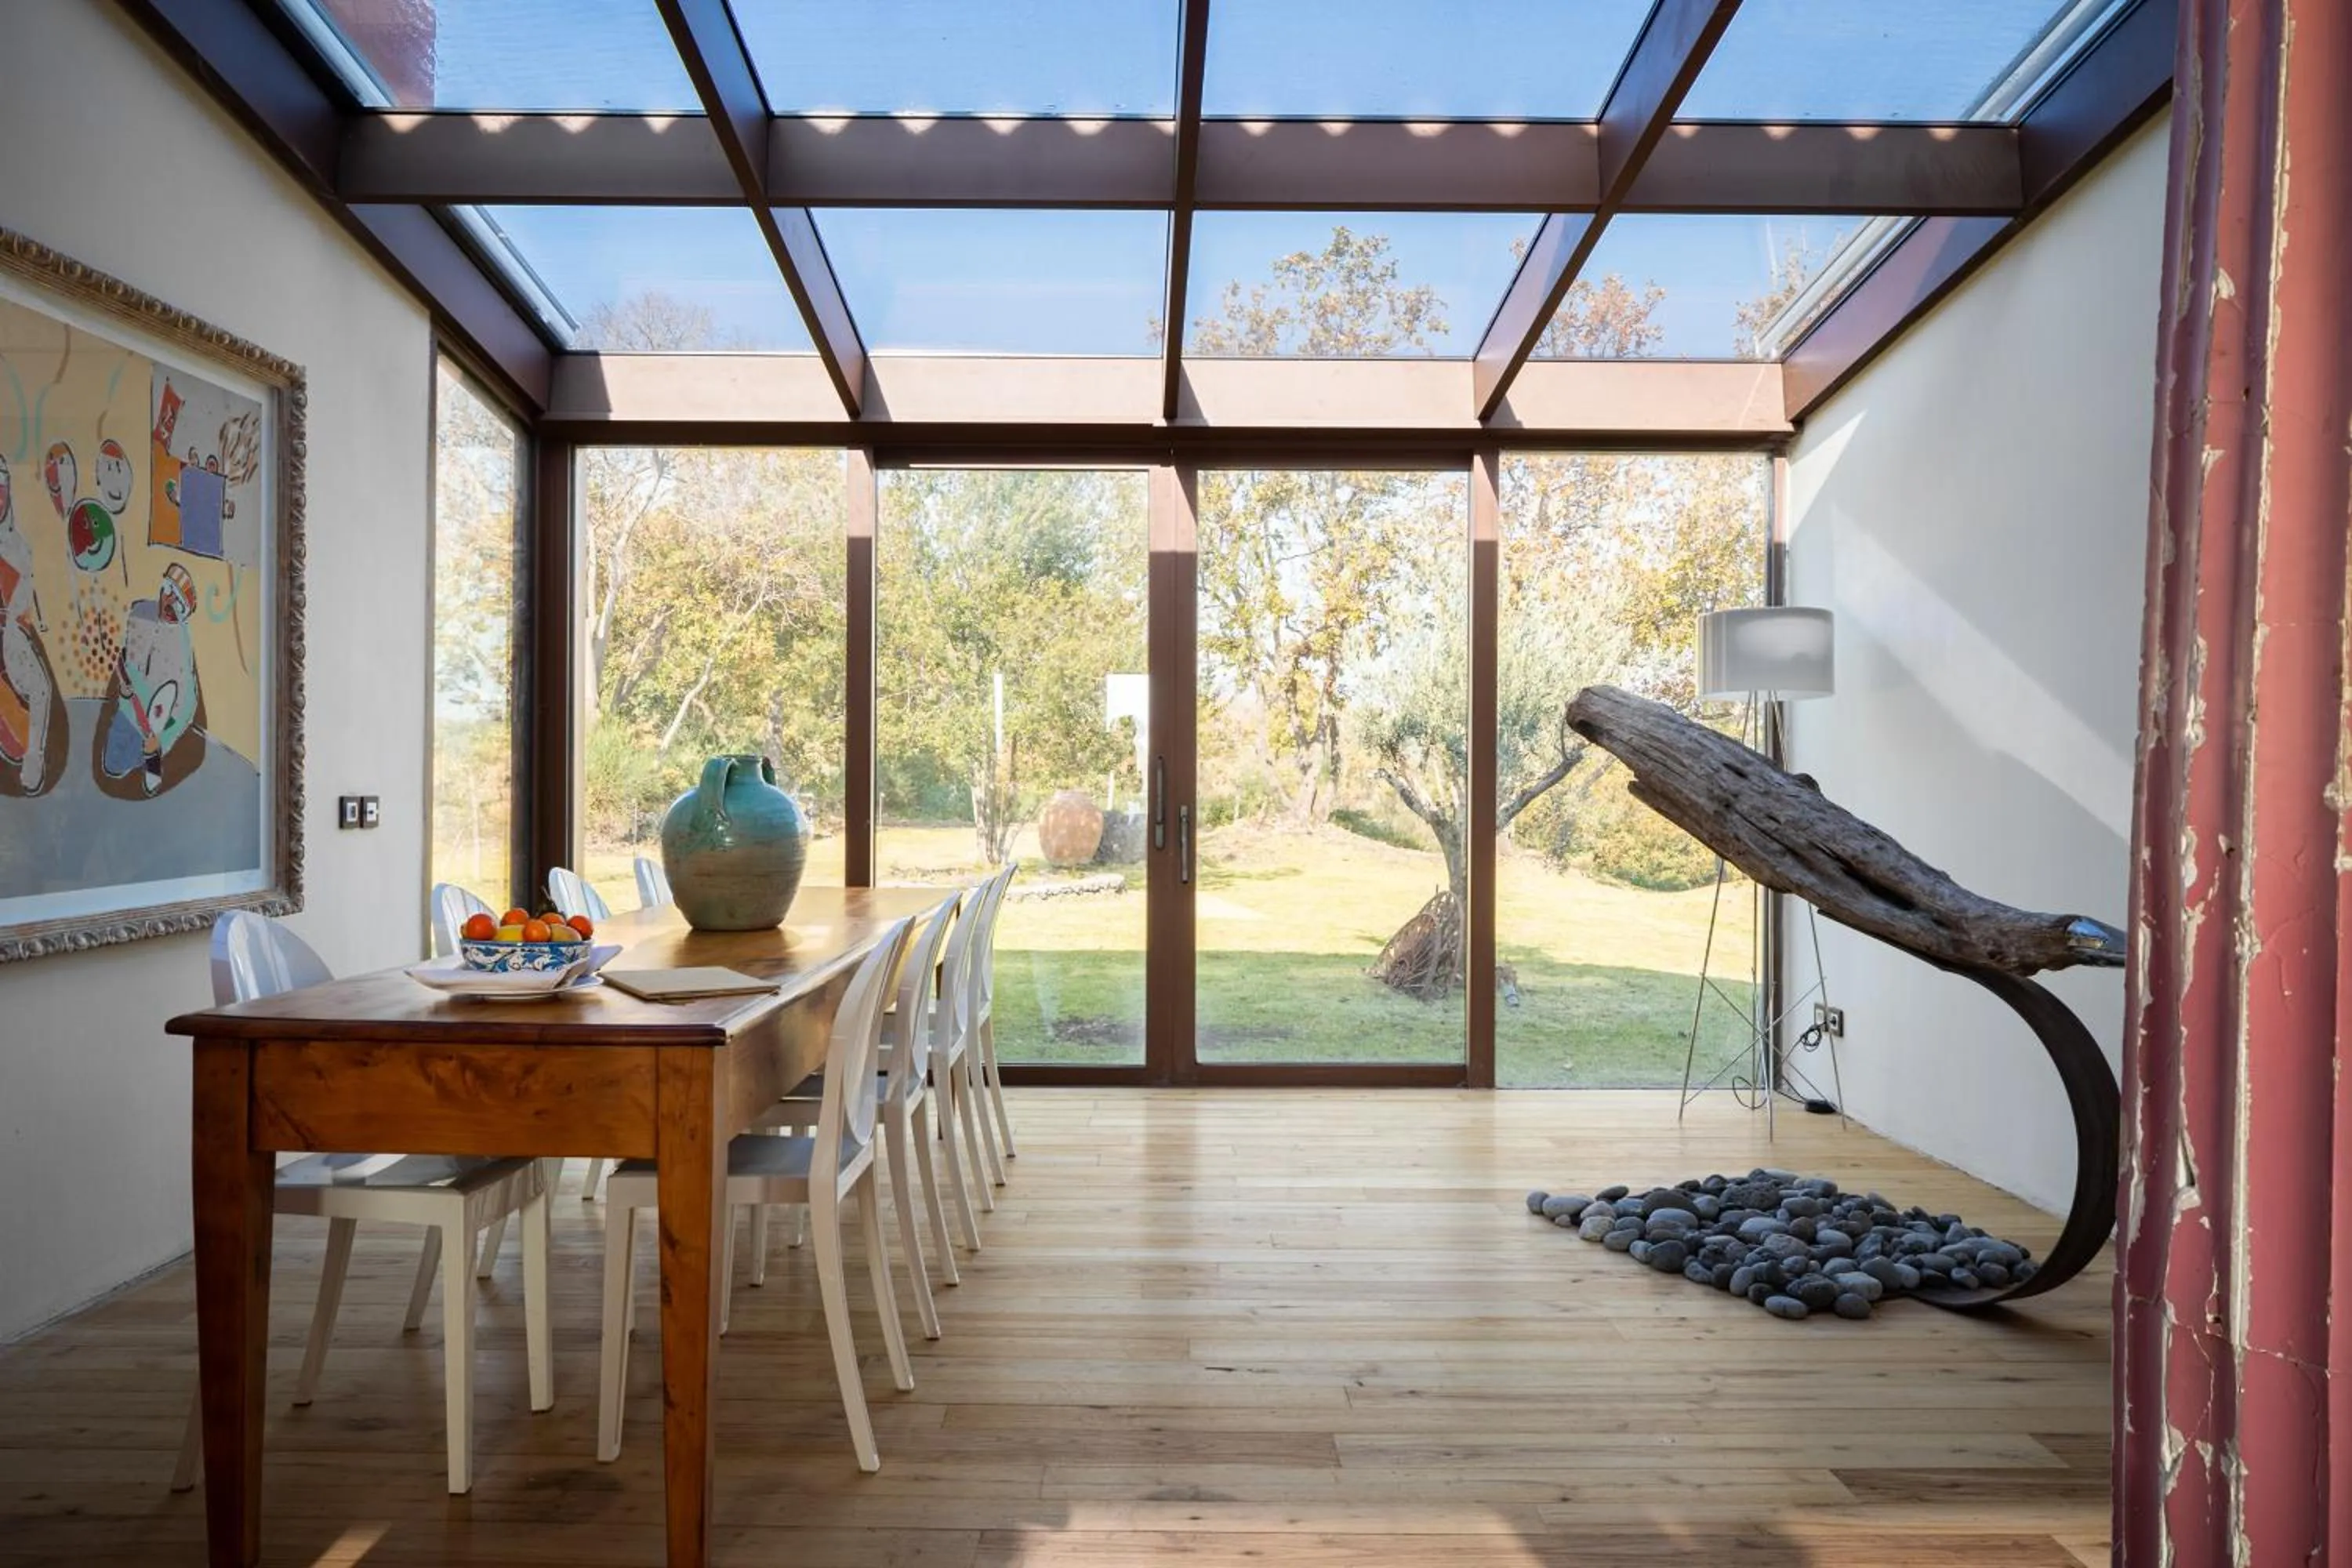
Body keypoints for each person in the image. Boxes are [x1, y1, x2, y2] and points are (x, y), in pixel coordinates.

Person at [101, 561, 200, 795]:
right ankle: (147, 755)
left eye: (177, 600)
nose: (169, 601)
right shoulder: (140, 612)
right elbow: (126, 653)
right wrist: (124, 687)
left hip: (155, 721)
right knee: (111, 765)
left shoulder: (181, 645)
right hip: (129, 706)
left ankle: (151, 757)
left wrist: (161, 740)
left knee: (126, 762)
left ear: (184, 610)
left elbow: (187, 704)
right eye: (168, 591)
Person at [0, 456, 56, 794]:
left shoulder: (18, 547)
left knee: (41, 687)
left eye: (1, 490)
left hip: (9, 633)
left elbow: (24, 602)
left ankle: (33, 756)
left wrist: (16, 622)